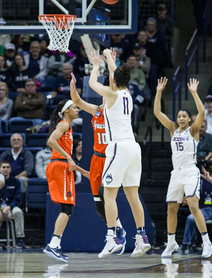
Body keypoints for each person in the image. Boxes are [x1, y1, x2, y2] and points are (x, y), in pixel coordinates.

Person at [89, 49, 151, 259]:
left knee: (108, 194)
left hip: (118, 147)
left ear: (114, 80)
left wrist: (97, 64)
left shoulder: (111, 94)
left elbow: (92, 84)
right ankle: (142, 237)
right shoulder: (127, 94)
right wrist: (111, 61)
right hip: (134, 148)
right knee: (133, 196)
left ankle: (112, 237)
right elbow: (116, 76)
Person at [154, 77, 212, 258]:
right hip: (176, 174)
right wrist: (158, 92)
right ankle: (171, 242)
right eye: (179, 116)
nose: (180, 118)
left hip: (190, 172)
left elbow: (202, 112)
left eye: (184, 116)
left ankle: (207, 243)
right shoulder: (172, 128)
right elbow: (157, 112)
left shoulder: (193, 130)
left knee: (194, 206)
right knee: (171, 208)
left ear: (189, 119)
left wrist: (194, 93)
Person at [70, 70, 127, 253]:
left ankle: (114, 234)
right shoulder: (96, 110)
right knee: (97, 204)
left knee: (106, 194)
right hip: (96, 158)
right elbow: (77, 102)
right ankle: (117, 227)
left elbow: (116, 89)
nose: (104, 98)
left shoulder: (114, 112)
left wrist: (110, 69)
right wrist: (73, 87)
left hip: (111, 157)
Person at [43, 99, 89, 263]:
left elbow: (71, 162)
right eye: (75, 107)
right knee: (67, 208)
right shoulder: (64, 125)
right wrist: (69, 157)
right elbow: (50, 141)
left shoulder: (67, 128)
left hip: (62, 166)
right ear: (66, 110)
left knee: (67, 208)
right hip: (59, 166)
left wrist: (84, 172)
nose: (78, 110)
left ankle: (55, 244)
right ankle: (53, 245)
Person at [0, 161, 26, 249]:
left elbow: (17, 199)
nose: (5, 169)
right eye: (3, 167)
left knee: (18, 212)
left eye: (7, 167)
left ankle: (19, 238)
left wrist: (8, 207)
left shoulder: (16, 182)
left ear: (10, 169)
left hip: (11, 208)